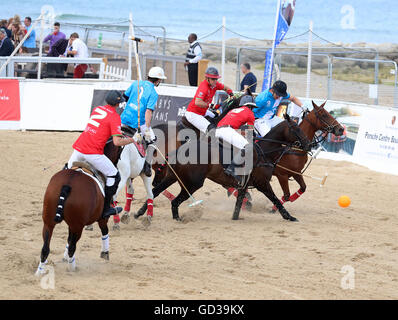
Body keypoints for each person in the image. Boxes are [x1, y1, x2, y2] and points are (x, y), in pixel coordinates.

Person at [67, 90, 136, 219]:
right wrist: (133, 139)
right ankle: (106, 209)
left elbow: (100, 128)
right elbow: (117, 142)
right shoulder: (115, 117)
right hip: (93, 153)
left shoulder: (97, 109)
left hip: (78, 148)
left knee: (66, 171)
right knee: (114, 175)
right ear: (117, 104)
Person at [120, 66, 167, 177]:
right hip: (137, 122)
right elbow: (148, 112)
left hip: (124, 118)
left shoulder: (136, 83)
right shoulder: (153, 93)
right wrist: (146, 128)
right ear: (158, 80)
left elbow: (124, 97)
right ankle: (146, 165)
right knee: (153, 140)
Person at [215, 95, 258, 185]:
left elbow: (236, 129)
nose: (252, 109)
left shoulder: (233, 110)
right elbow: (250, 132)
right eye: (252, 107)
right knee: (247, 147)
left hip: (218, 130)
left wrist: (242, 134)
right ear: (249, 106)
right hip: (227, 131)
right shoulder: (250, 113)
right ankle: (232, 168)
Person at [185, 66, 234, 135]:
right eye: (213, 79)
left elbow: (226, 88)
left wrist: (231, 94)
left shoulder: (215, 84)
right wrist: (210, 105)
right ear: (207, 79)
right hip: (193, 114)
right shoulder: (204, 87)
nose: (215, 81)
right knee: (211, 130)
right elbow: (197, 102)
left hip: (203, 111)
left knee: (217, 117)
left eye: (216, 79)